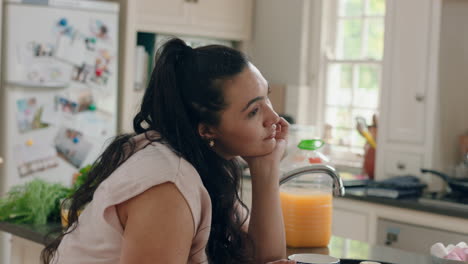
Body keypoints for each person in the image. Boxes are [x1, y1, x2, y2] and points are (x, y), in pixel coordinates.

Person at [41, 38, 295, 264]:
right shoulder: (167, 187)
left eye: (267, 98)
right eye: (253, 111)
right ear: (207, 130)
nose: (273, 117)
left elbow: (266, 259)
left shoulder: (206, 164)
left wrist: (266, 168)